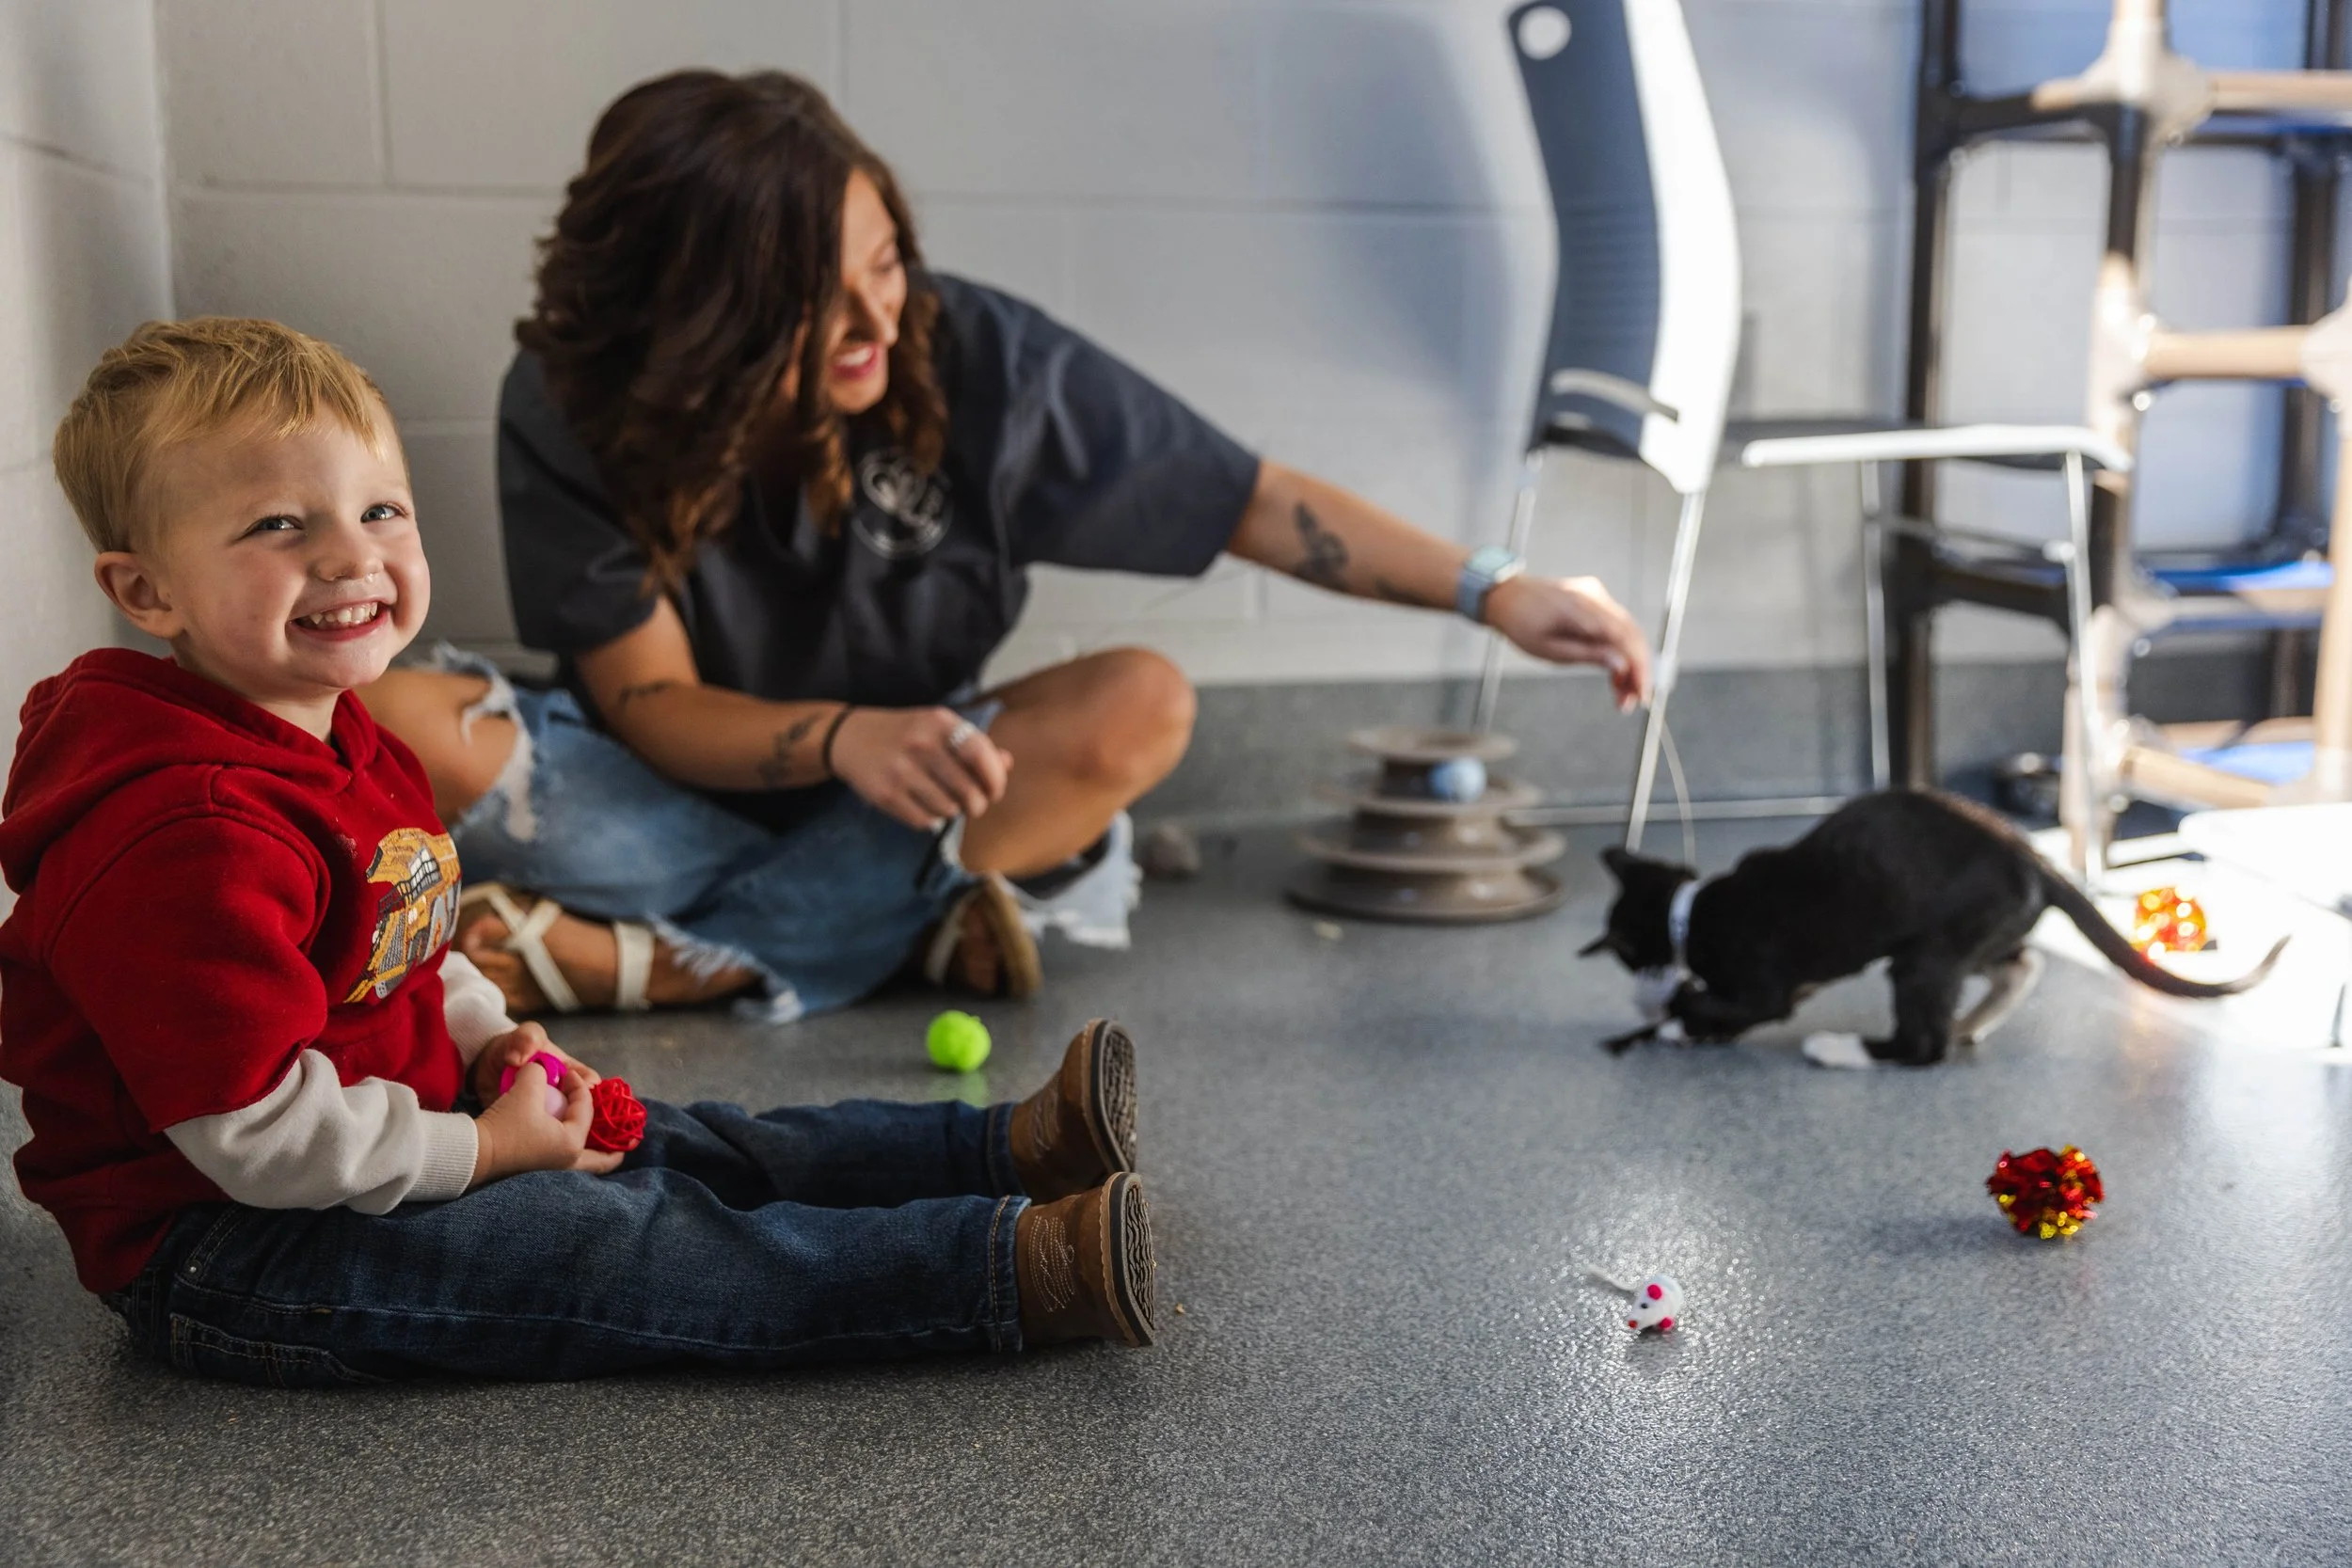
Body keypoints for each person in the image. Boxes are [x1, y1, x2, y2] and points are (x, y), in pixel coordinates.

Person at [0, 318, 1158, 1386]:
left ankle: (1002, 1147)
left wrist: (491, 1038)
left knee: (675, 1133)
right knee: (619, 1244)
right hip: (239, 1249)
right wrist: (487, 1148)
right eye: (277, 525)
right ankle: (1002, 1268)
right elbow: (257, 1135)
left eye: (381, 510)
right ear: (145, 590)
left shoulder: (337, 729)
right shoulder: (183, 832)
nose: (352, 556)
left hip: (388, 1130)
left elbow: (407, 939)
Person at [363, 70, 1654, 1023]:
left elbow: (1252, 499)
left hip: (924, 786)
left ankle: (660, 960)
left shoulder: (975, 357)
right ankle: (864, 930)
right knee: (396, 711)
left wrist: (1497, 589)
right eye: (818, 295)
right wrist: (835, 737)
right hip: (674, 790)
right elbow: (646, 702)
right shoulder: (570, 397)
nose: (878, 312)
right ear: (704, 316)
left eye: (887, 259)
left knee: (1141, 701)